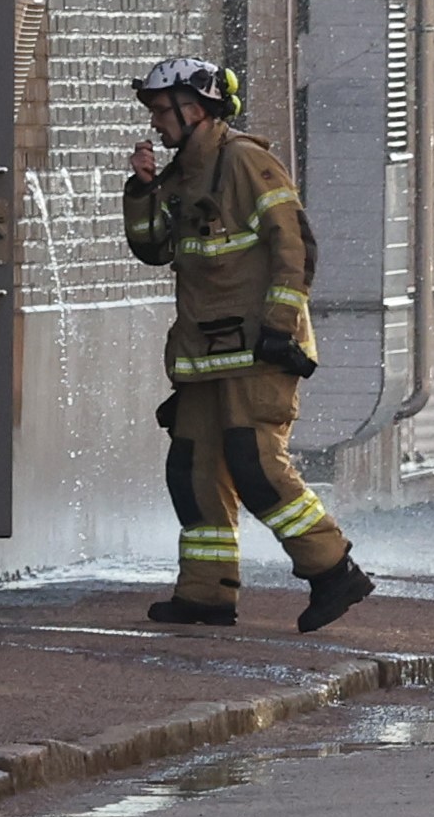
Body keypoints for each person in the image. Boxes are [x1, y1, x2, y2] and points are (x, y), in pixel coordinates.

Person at [124, 55, 378, 632]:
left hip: (256, 352)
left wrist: (279, 327)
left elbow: (294, 246)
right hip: (203, 357)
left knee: (256, 466)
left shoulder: (246, 161)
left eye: (164, 111)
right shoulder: (183, 172)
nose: (157, 123)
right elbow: (153, 248)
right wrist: (141, 191)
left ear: (197, 109)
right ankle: (206, 594)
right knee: (192, 471)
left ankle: (333, 568)